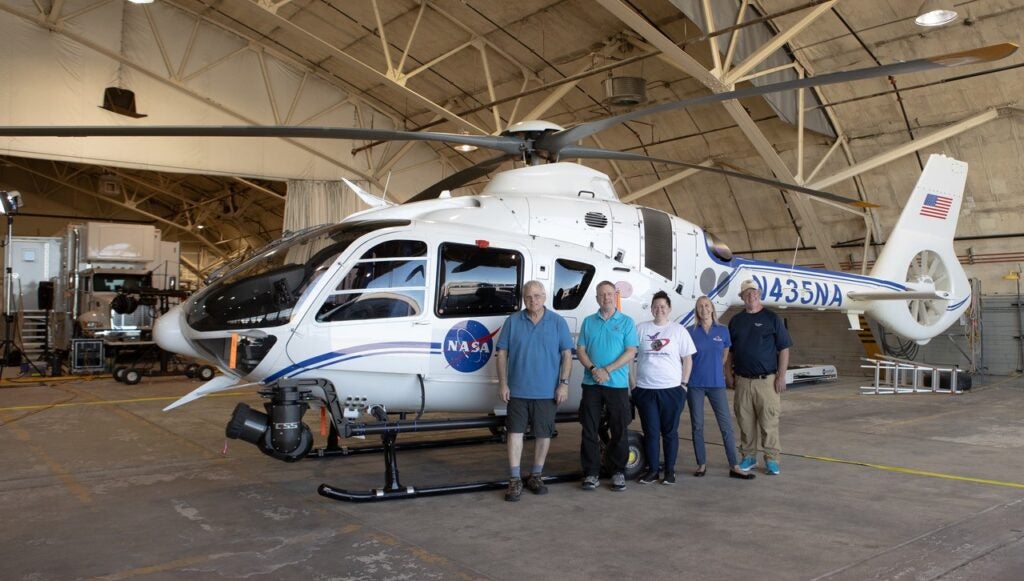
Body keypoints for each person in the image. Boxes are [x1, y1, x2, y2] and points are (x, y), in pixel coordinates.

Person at [496, 280, 574, 502]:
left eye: (537, 296)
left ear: (545, 297)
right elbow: (501, 354)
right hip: (518, 391)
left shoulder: (558, 322)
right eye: (528, 297)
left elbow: (567, 355)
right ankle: (514, 479)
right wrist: (503, 383)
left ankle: (536, 475)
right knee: (514, 434)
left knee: (543, 434)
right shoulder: (512, 322)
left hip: (547, 392)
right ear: (523, 298)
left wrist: (564, 383)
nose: (533, 301)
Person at [576, 281, 638, 492]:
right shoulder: (588, 322)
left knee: (619, 429)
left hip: (617, 384)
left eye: (610, 294)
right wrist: (594, 369)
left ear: (615, 296)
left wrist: (607, 370)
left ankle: (617, 471)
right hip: (591, 383)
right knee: (589, 429)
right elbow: (581, 350)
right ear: (597, 298)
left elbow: (631, 351)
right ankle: (591, 473)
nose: (606, 298)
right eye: (602, 295)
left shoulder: (627, 322)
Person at [726, 280, 792, 475]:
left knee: (769, 422)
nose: (750, 295)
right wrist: (728, 374)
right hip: (743, 381)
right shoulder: (736, 321)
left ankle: (772, 459)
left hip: (767, 381)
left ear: (760, 293)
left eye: (753, 292)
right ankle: (749, 457)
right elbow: (729, 352)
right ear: (741, 297)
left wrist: (781, 376)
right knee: (745, 422)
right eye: (746, 293)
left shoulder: (772, 318)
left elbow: (784, 348)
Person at [630, 290, 695, 485]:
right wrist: (632, 383)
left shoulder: (678, 330)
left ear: (669, 309)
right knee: (651, 432)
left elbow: (688, 359)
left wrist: (683, 384)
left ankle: (669, 471)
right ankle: (652, 471)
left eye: (663, 307)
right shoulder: (640, 329)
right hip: (645, 390)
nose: (659, 310)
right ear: (651, 309)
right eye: (656, 306)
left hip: (672, 390)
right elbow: (630, 356)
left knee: (669, 432)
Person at [687, 295, 755, 481]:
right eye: (700, 306)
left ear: (712, 308)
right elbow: (685, 359)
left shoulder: (723, 331)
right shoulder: (690, 331)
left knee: (726, 426)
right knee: (697, 426)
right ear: (697, 310)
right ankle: (701, 464)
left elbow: (724, 357)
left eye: (707, 305)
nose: (704, 309)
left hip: (717, 384)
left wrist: (721, 374)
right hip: (695, 385)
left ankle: (734, 465)